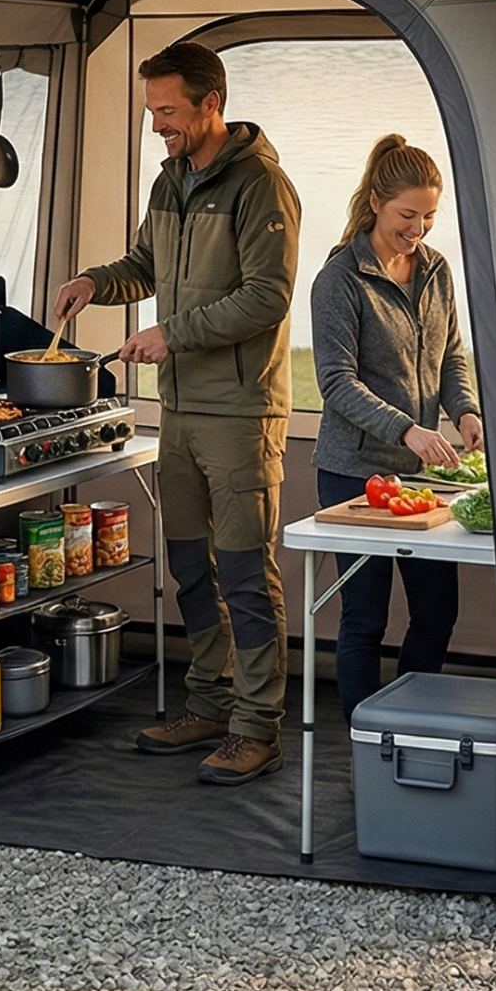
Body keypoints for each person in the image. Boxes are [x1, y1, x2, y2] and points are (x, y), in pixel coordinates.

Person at [52, 41, 301, 786]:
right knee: (191, 565)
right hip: (181, 410)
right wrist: (95, 281)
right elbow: (145, 266)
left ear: (210, 104)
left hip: (241, 413)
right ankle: (209, 703)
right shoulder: (171, 181)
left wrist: (173, 333)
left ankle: (259, 726)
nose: (156, 124)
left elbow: (268, 297)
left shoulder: (262, 186)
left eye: (168, 110)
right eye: (151, 111)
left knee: (246, 572)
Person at [311, 135, 483, 721]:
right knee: (365, 617)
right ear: (376, 203)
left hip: (421, 478)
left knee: (437, 614)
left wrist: (465, 412)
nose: (419, 228)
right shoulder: (340, 279)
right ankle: (366, 744)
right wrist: (408, 428)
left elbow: (450, 354)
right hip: (354, 476)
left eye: (430, 215)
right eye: (408, 215)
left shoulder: (435, 270)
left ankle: (409, 726)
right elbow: (336, 382)